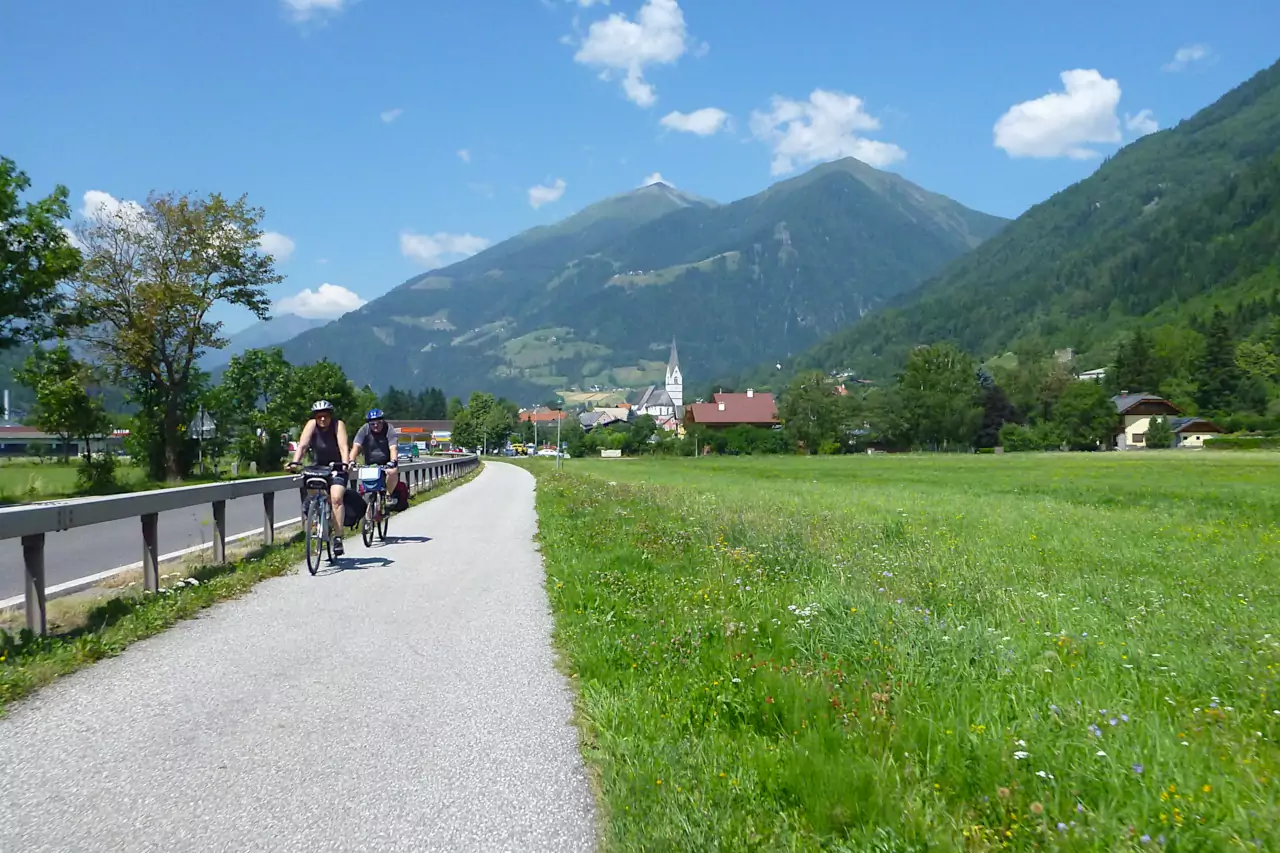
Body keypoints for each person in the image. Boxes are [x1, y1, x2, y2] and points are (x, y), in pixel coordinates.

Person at [286, 399, 350, 556]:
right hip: (318, 467)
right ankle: (316, 520)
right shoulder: (311, 425)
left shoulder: (338, 425)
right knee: (313, 497)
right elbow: (302, 446)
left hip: (337, 466)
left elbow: (343, 447)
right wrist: (295, 462)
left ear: (330, 416)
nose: (322, 419)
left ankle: (338, 537)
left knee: (336, 498)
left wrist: (345, 464)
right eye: (319, 416)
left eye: (325, 416)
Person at [350, 408, 399, 502]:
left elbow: (393, 448)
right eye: (372, 424)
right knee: (365, 486)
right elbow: (356, 446)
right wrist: (351, 460)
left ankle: (388, 495)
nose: (376, 425)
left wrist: (393, 461)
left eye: (379, 423)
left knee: (392, 472)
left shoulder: (389, 429)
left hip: (386, 463)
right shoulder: (364, 429)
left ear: (383, 421)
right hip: (369, 463)